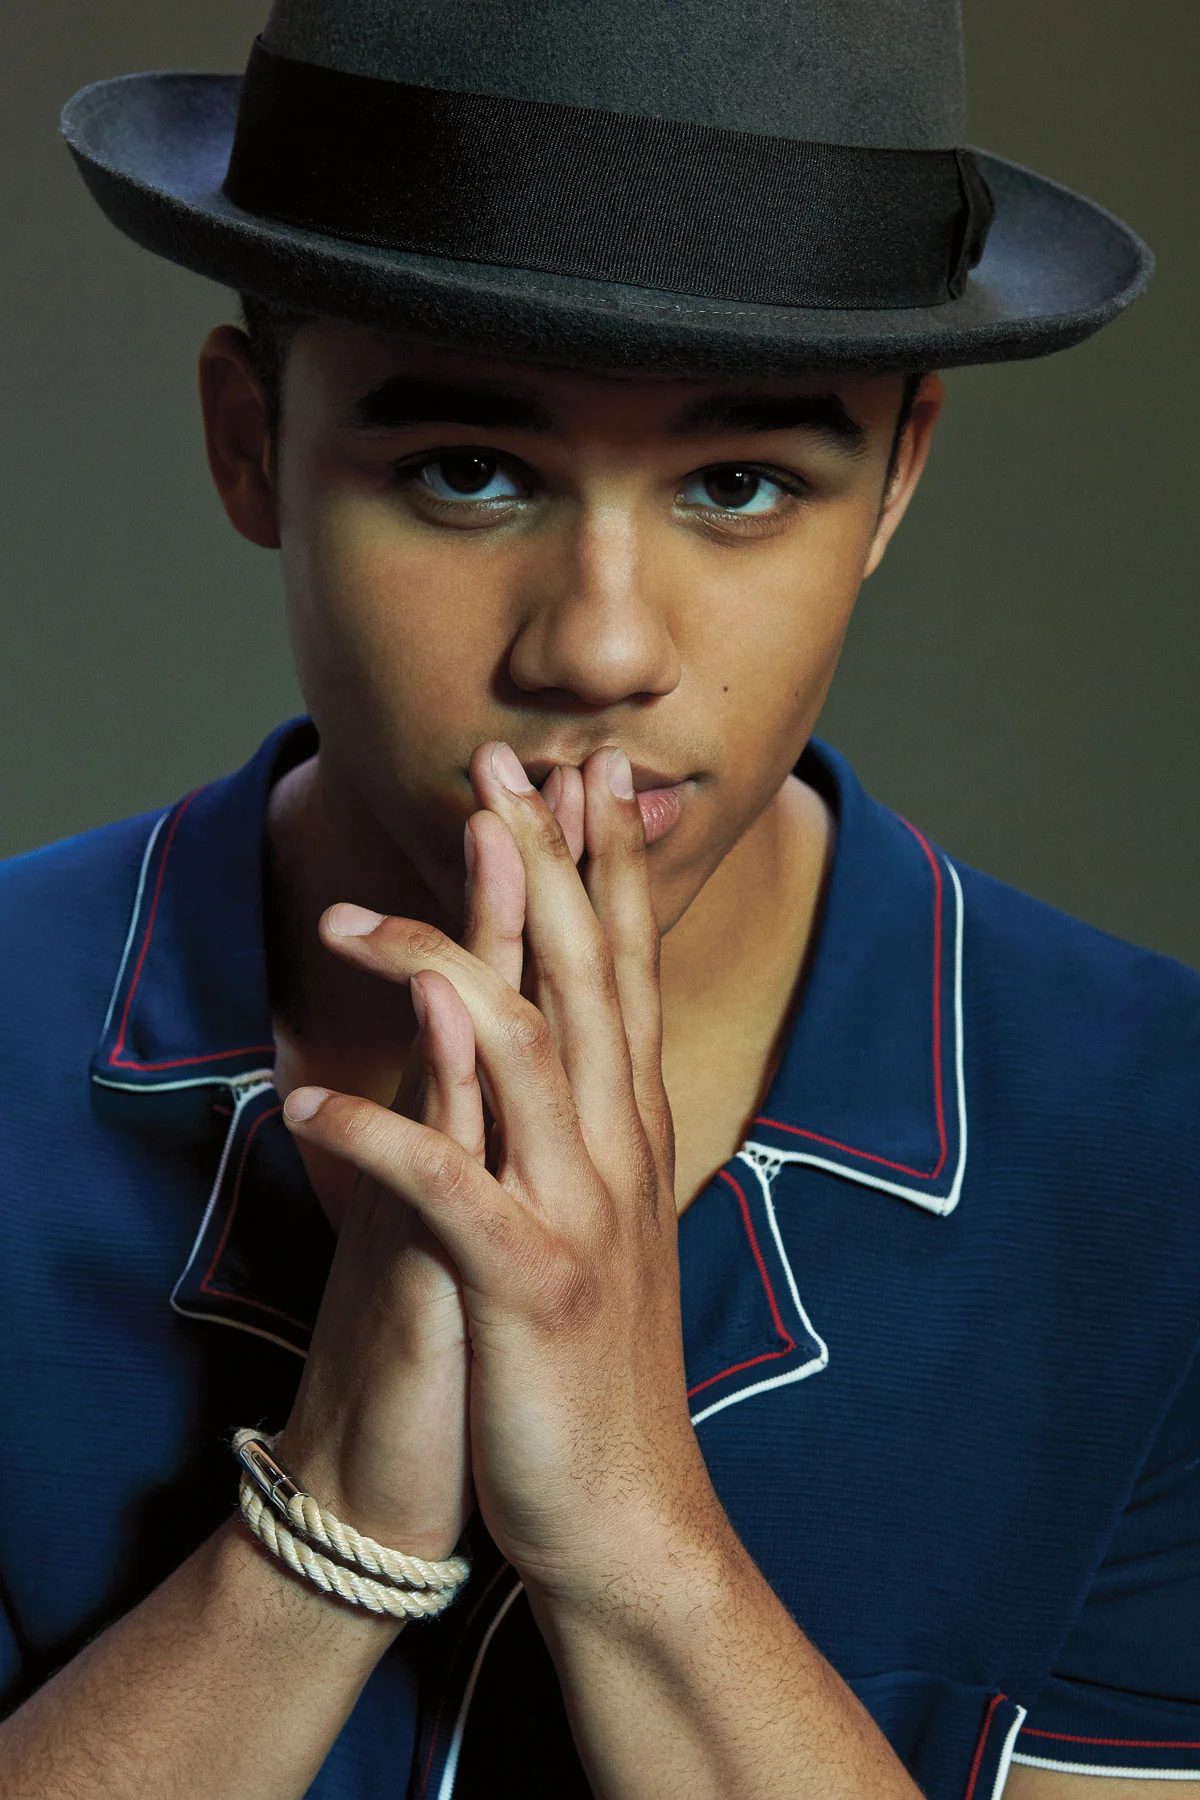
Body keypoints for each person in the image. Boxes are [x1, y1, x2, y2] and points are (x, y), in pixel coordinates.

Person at [1, 2, 1197, 1796]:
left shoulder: (1166, 1162)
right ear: (250, 444)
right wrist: (322, 1538)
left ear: (897, 480)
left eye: (740, 484)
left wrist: (641, 1542)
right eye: (466, 471)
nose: (602, 647)